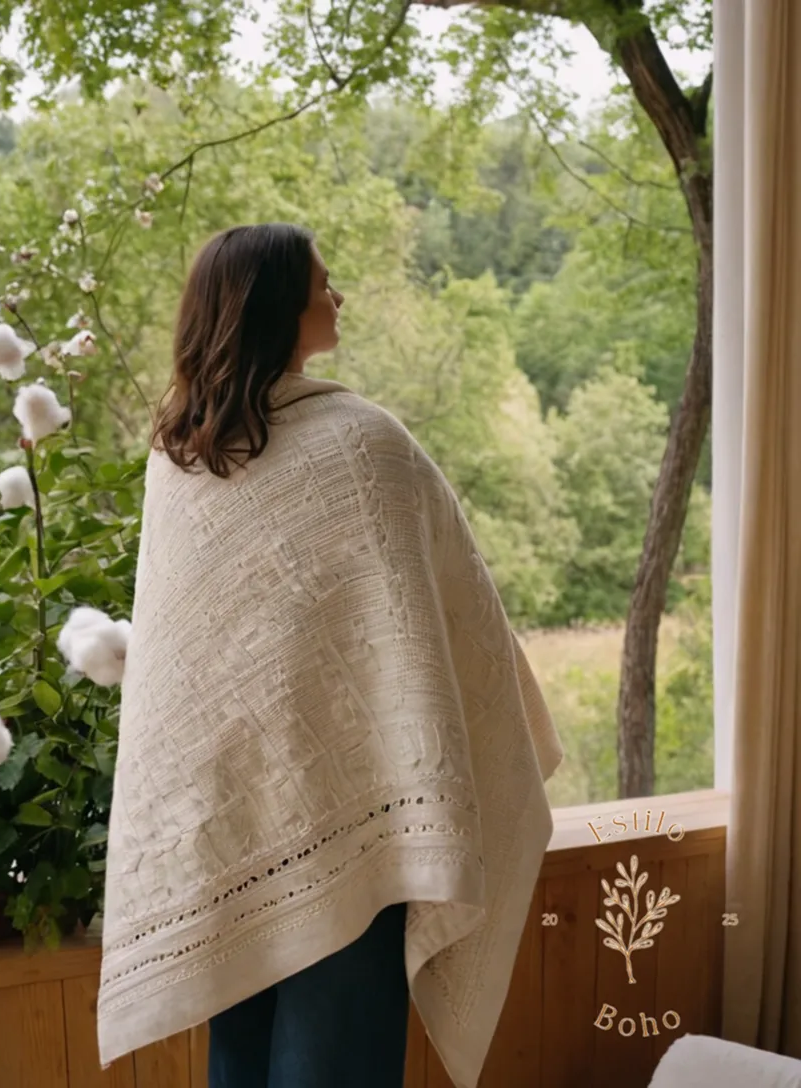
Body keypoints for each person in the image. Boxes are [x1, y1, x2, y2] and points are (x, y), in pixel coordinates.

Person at [97, 223, 563, 1088]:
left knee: (256, 1065)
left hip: (295, 827)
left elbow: (407, 629)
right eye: (323, 284)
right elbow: (190, 676)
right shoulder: (355, 446)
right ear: (277, 308)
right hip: (324, 835)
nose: (337, 296)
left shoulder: (184, 455)